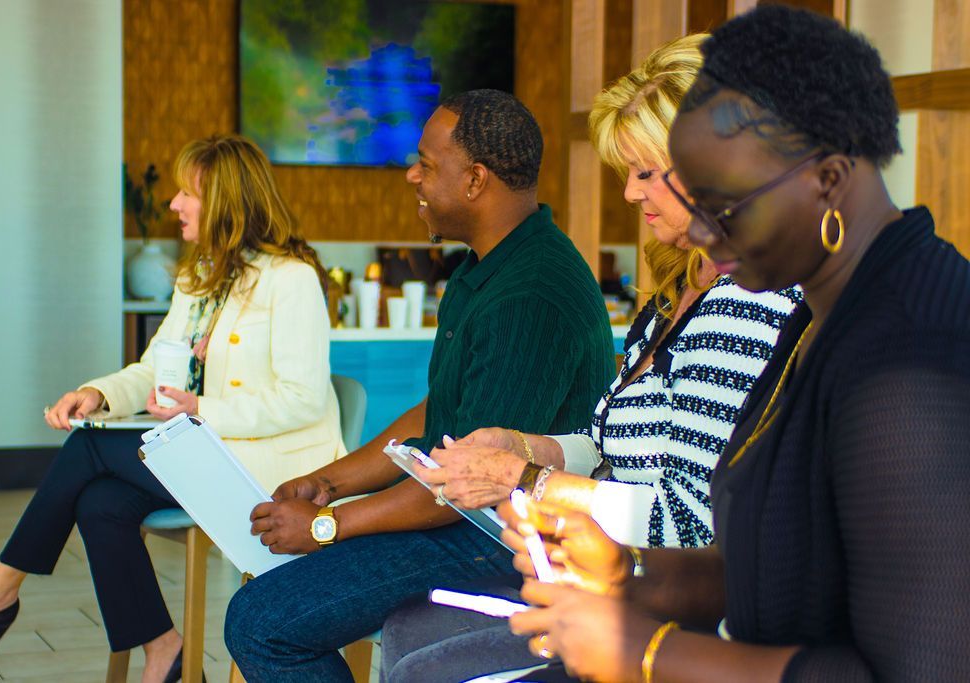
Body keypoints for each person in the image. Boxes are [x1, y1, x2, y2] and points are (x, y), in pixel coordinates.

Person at [504, 6, 970, 682]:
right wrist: (631, 575)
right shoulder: (820, 310)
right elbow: (772, 568)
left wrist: (648, 652)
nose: (694, 229)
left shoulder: (906, 359)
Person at [378, 35, 801, 683]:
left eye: (645, 171)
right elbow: (611, 443)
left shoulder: (746, 301)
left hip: (668, 614)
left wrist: (524, 482)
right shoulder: (677, 287)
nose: (630, 194)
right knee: (408, 626)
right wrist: (526, 447)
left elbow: (689, 524)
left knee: (422, 666)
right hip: (607, 576)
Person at [222, 89, 615, 682]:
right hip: (466, 515)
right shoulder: (486, 266)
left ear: (476, 180)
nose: (412, 176)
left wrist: (327, 527)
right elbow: (439, 415)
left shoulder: (531, 293)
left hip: (502, 537)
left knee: (260, 622)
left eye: (427, 165)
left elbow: (464, 489)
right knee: (269, 611)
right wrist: (329, 482)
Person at [0, 134, 346, 683]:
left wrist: (201, 407)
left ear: (227, 203)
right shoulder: (199, 278)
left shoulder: (291, 280)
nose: (175, 204)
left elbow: (301, 399)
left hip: (266, 478)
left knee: (89, 445)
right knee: (100, 501)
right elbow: (154, 368)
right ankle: (165, 649)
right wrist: (100, 395)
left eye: (189, 193)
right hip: (209, 457)